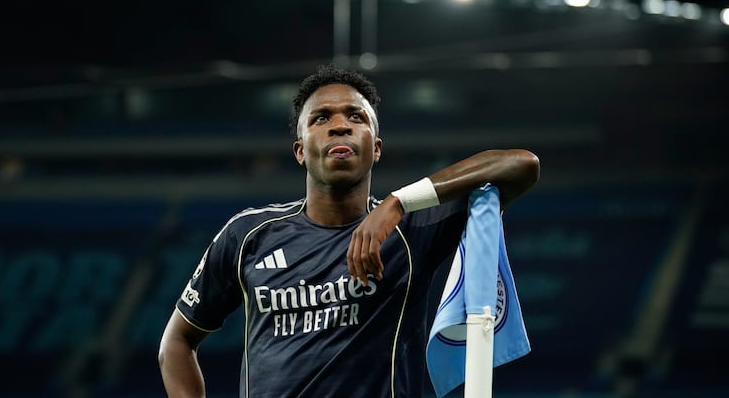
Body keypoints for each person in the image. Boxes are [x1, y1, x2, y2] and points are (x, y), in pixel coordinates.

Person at [158, 64, 540, 397]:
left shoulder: (411, 231)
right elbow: (176, 342)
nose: (339, 125)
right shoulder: (248, 236)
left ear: (375, 148)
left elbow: (520, 165)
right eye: (321, 118)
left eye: (355, 117)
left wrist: (398, 202)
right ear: (300, 150)